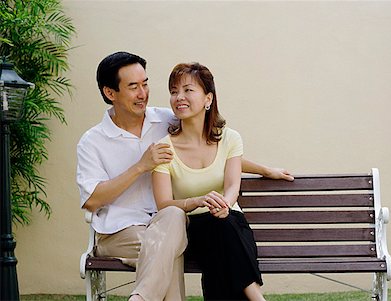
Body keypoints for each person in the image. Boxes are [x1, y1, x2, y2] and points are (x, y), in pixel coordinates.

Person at [76, 51, 293, 301]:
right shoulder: (92, 142)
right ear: (110, 93)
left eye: (145, 84)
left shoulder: (165, 120)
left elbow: (211, 150)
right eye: (133, 87)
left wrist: (264, 170)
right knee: (168, 248)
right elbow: (92, 200)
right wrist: (140, 167)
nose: (143, 93)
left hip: (172, 221)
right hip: (122, 231)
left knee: (172, 226)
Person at [152, 62, 266, 301]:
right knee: (221, 233)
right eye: (174, 91)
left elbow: (233, 184)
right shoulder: (164, 148)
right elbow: (163, 203)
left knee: (224, 228)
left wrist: (225, 204)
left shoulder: (230, 138)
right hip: (192, 230)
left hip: (229, 222)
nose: (179, 97)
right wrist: (197, 201)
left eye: (187, 90)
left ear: (208, 98)